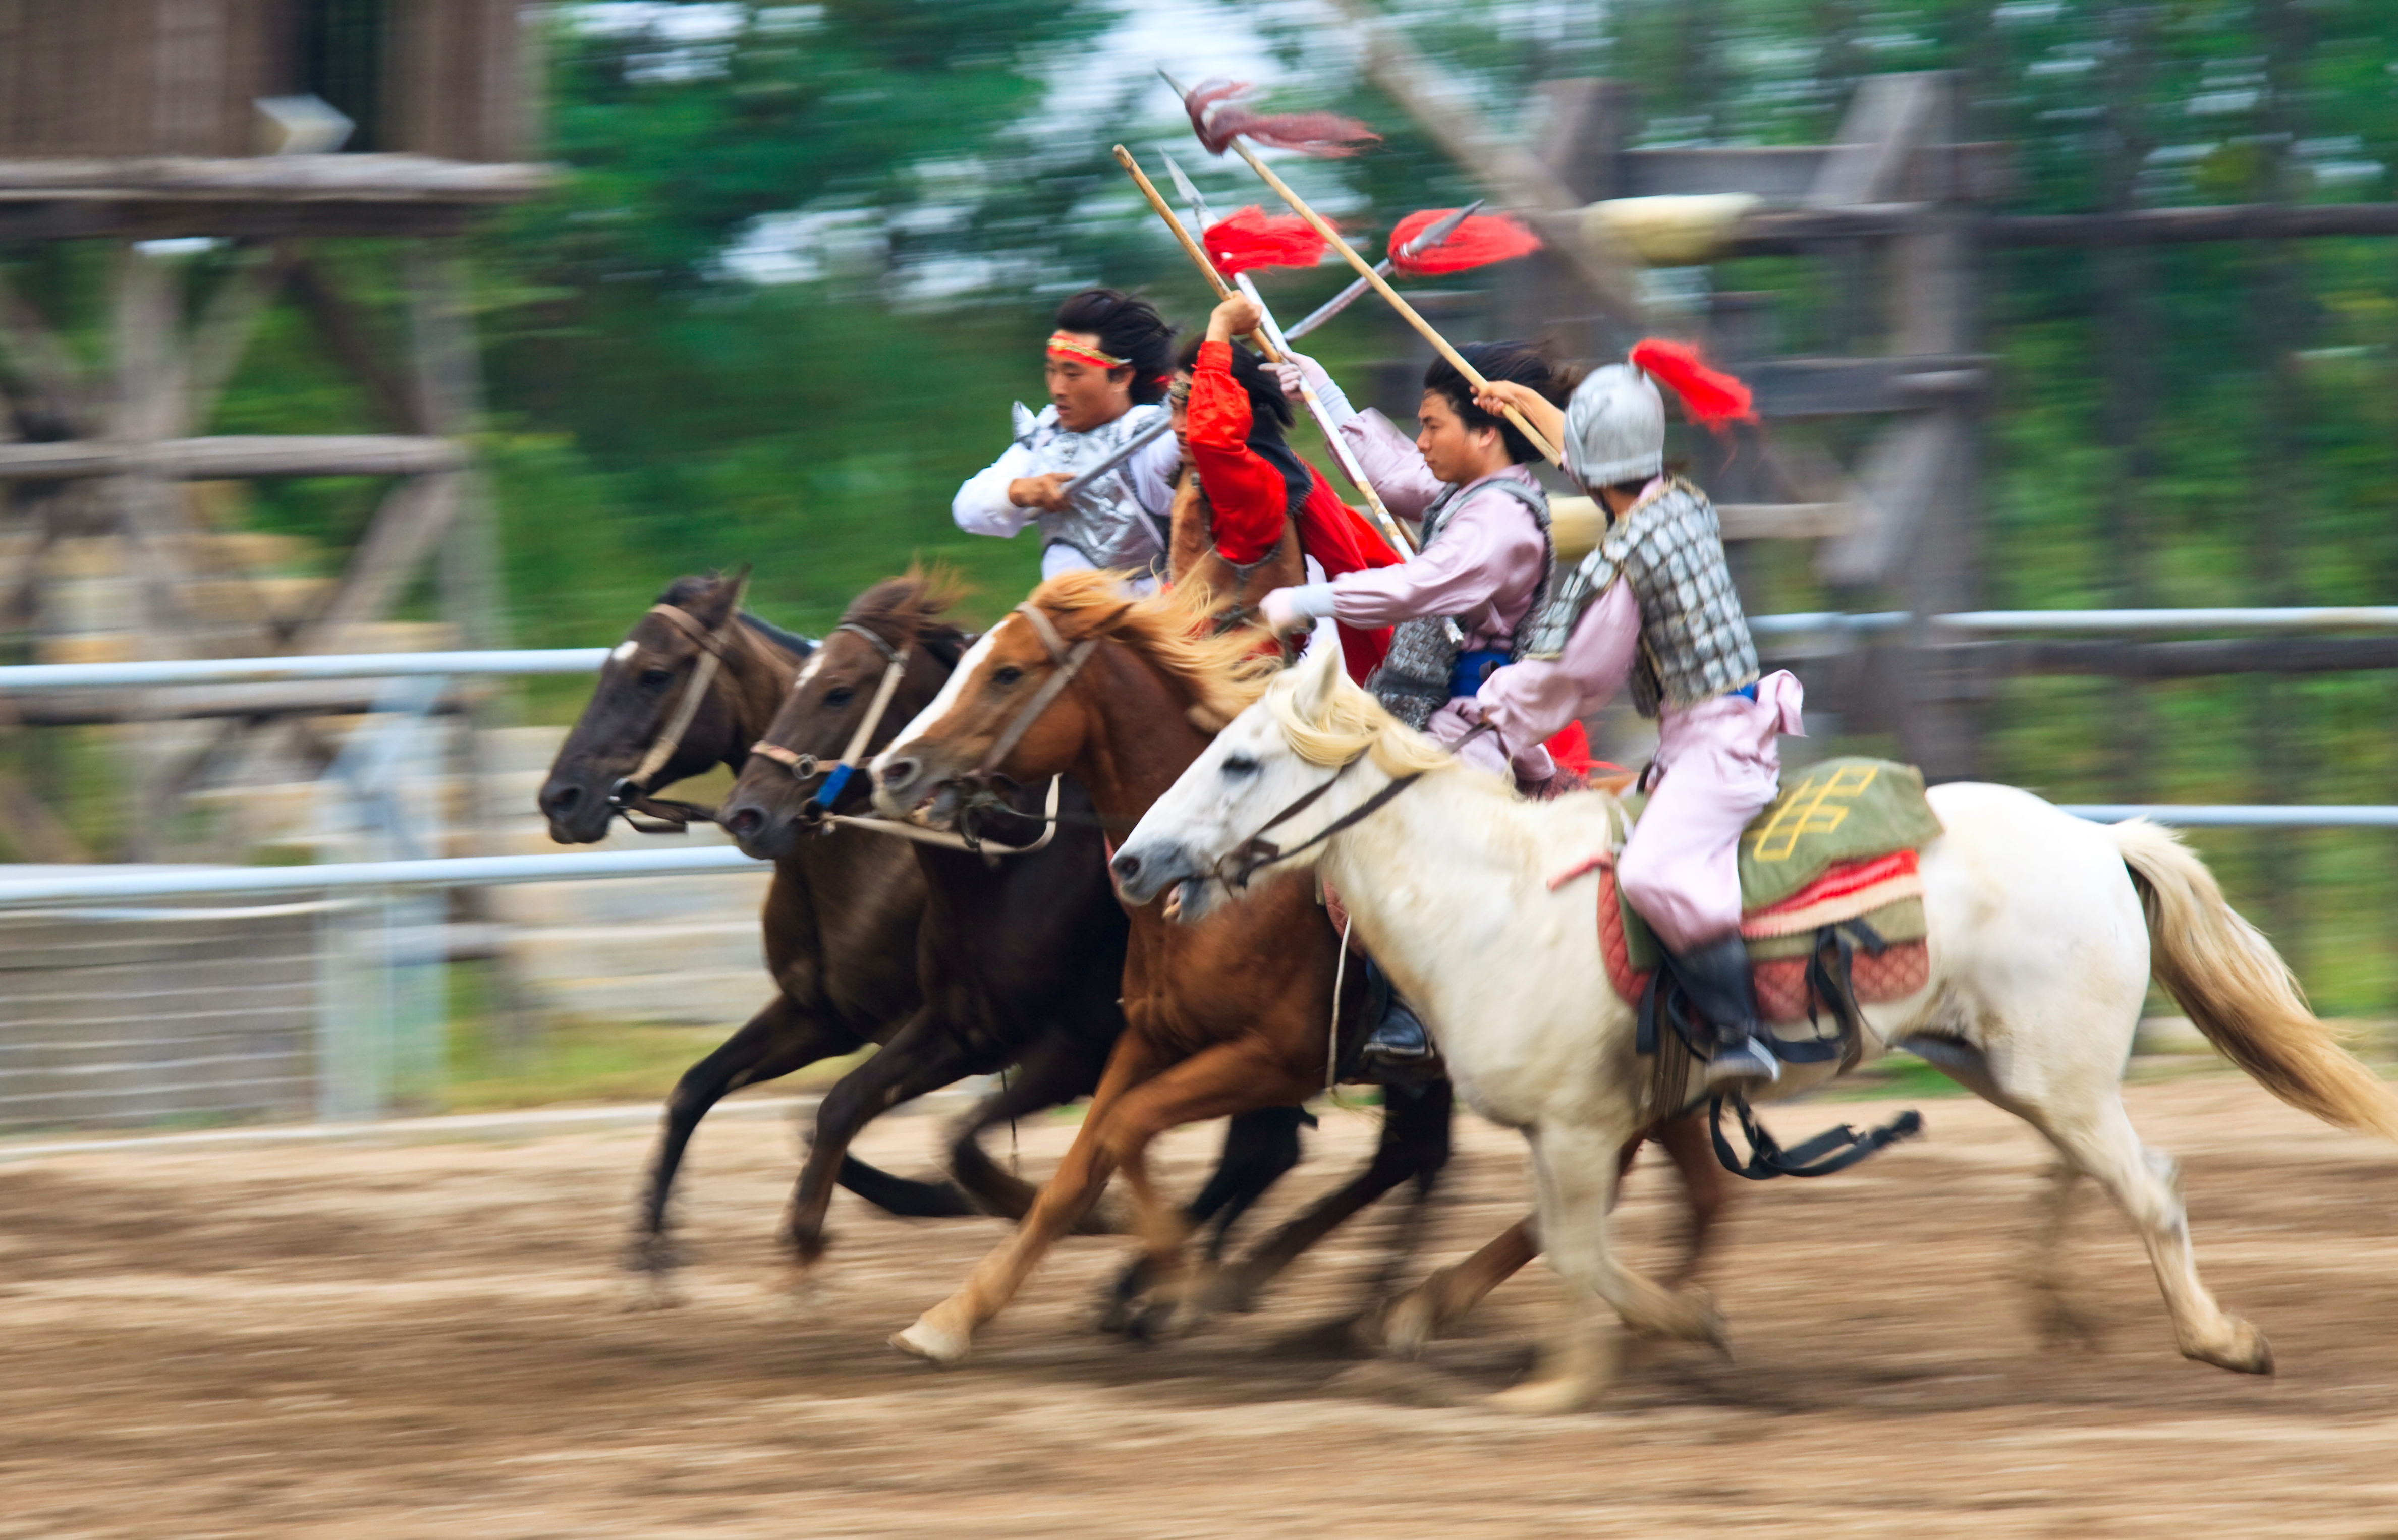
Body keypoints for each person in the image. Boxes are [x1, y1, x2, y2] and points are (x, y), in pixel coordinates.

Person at [1467, 347, 1804, 1091]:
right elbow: (1591, 454)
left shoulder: (1624, 551)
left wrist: (1493, 704)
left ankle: (1739, 1034)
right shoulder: (1679, 499)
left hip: (1716, 750)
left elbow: (1578, 677)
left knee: (1652, 871)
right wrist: (1518, 401)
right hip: (1715, 732)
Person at [1255, 341, 1578, 1073]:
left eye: (1433, 425)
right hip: (1410, 701)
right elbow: (1393, 472)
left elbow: (1419, 587)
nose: (1423, 440)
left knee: (1393, 830)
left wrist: (1306, 598)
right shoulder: (1462, 495)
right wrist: (1324, 393)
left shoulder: (1501, 521)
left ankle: (1413, 1009)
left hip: (1473, 717)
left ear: (1486, 432)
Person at [1173, 294, 1403, 683]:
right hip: (1198, 676)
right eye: (1174, 406)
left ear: (1232, 410)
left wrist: (1220, 326)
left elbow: (1210, 439)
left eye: (1193, 406)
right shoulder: (1197, 473)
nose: (1182, 425)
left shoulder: (1255, 486)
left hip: (1243, 691)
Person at [952, 289, 1183, 588]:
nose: (1057, 389)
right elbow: (966, 510)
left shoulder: (1153, 439)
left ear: (1122, 376)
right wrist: (1021, 492)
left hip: (1140, 627)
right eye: (1052, 372)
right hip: (1056, 625)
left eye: (1072, 375)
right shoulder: (1046, 436)